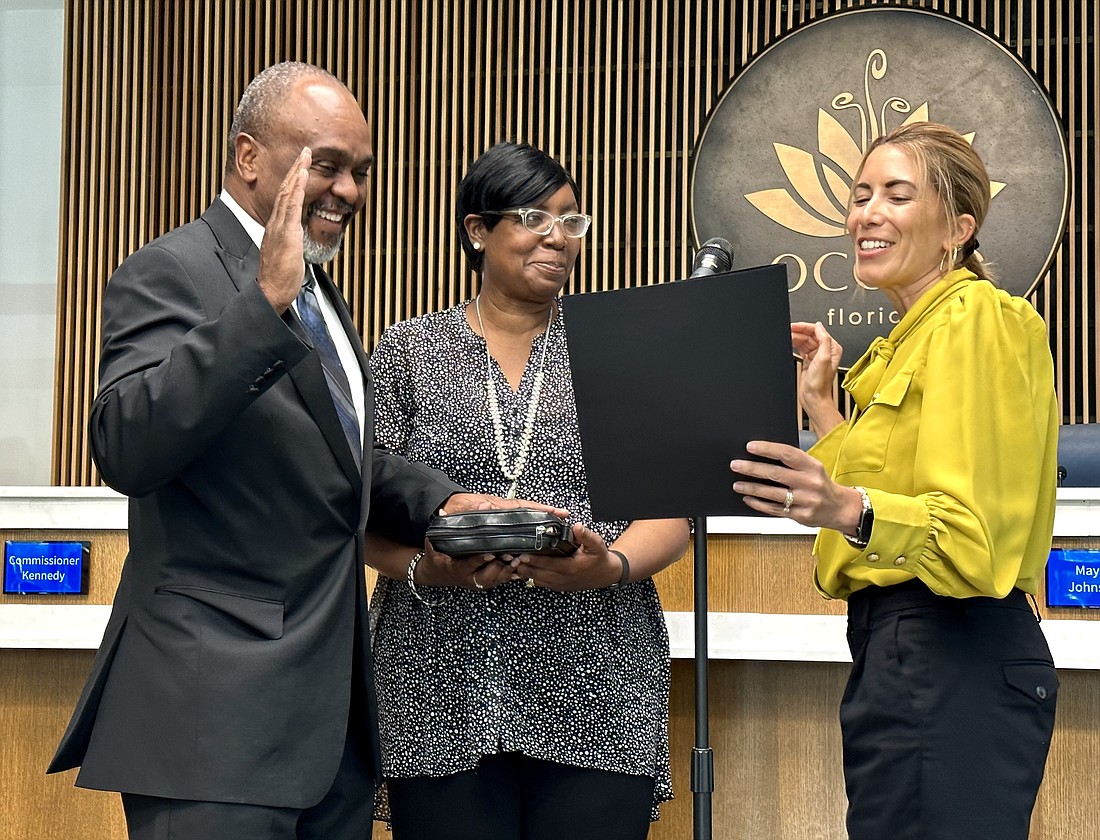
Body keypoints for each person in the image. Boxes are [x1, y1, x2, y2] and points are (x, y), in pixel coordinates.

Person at [47, 62, 532, 840]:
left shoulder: (317, 293)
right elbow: (125, 444)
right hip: (212, 726)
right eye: (327, 165)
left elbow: (341, 459)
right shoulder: (171, 272)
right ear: (249, 158)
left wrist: (445, 503)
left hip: (328, 730)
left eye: (361, 172)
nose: (349, 191)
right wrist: (260, 308)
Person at [730, 121, 1060, 840]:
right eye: (860, 195)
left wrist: (846, 504)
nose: (866, 214)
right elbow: (880, 502)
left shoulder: (977, 319)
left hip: (954, 652)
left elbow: (970, 540)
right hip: (899, 652)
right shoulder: (903, 339)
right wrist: (822, 405)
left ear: (959, 227)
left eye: (898, 195)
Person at [362, 141, 690, 840]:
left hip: (596, 679)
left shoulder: (618, 349)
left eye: (572, 222)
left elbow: (671, 508)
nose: (558, 237)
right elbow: (359, 502)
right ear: (478, 231)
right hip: (437, 680)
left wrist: (613, 565)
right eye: (534, 218)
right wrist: (427, 567)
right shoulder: (408, 352)